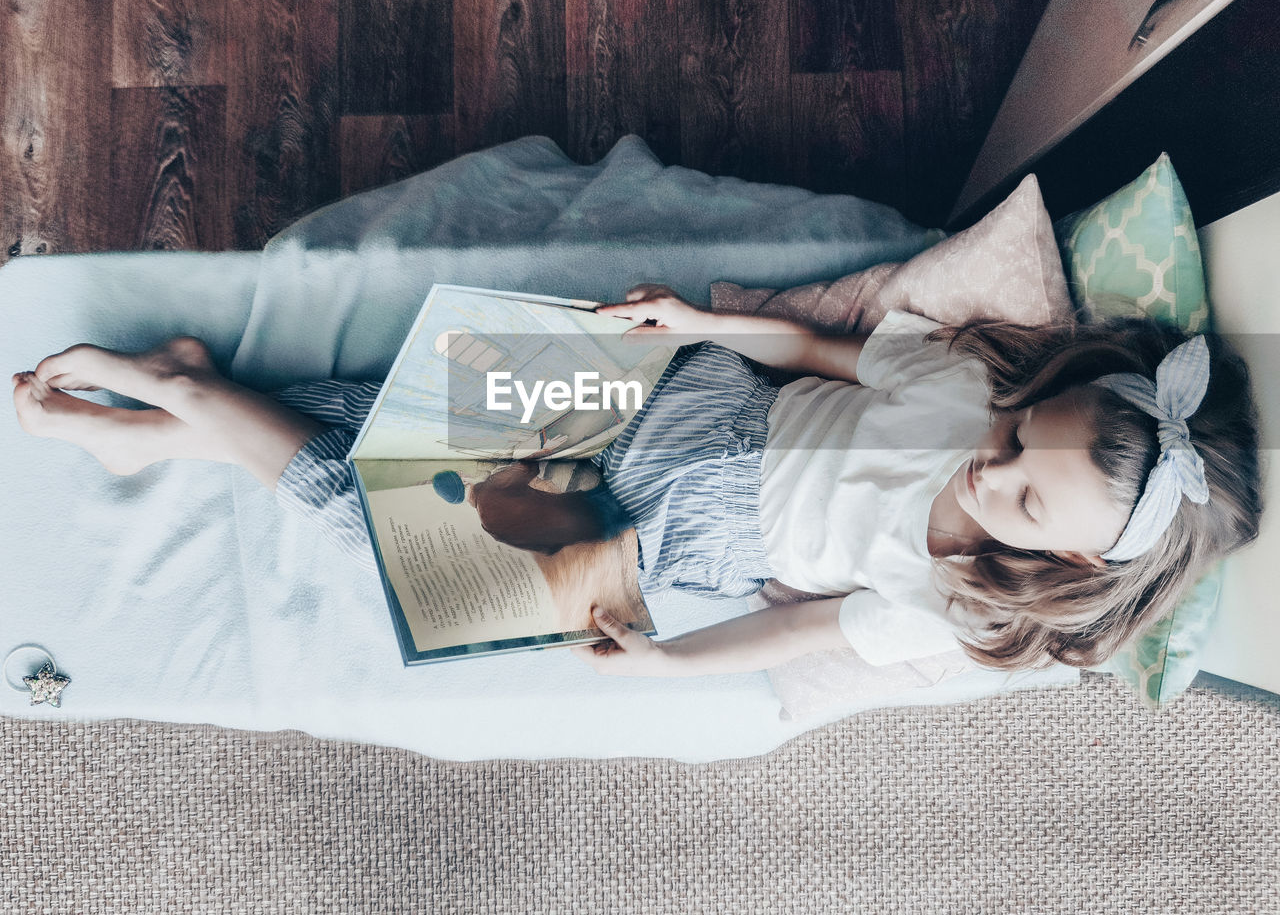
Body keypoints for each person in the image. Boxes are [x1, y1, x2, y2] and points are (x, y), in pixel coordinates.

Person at [11, 284, 1263, 681]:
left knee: (398, 524)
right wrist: (698, 317)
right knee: (426, 412)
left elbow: (797, 627)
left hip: (666, 537)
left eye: (1020, 499)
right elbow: (812, 351)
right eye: (1013, 440)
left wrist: (672, 661)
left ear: (1073, 564)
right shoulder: (951, 391)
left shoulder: (942, 602)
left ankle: (184, 407)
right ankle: (180, 410)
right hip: (685, 399)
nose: (987, 471)